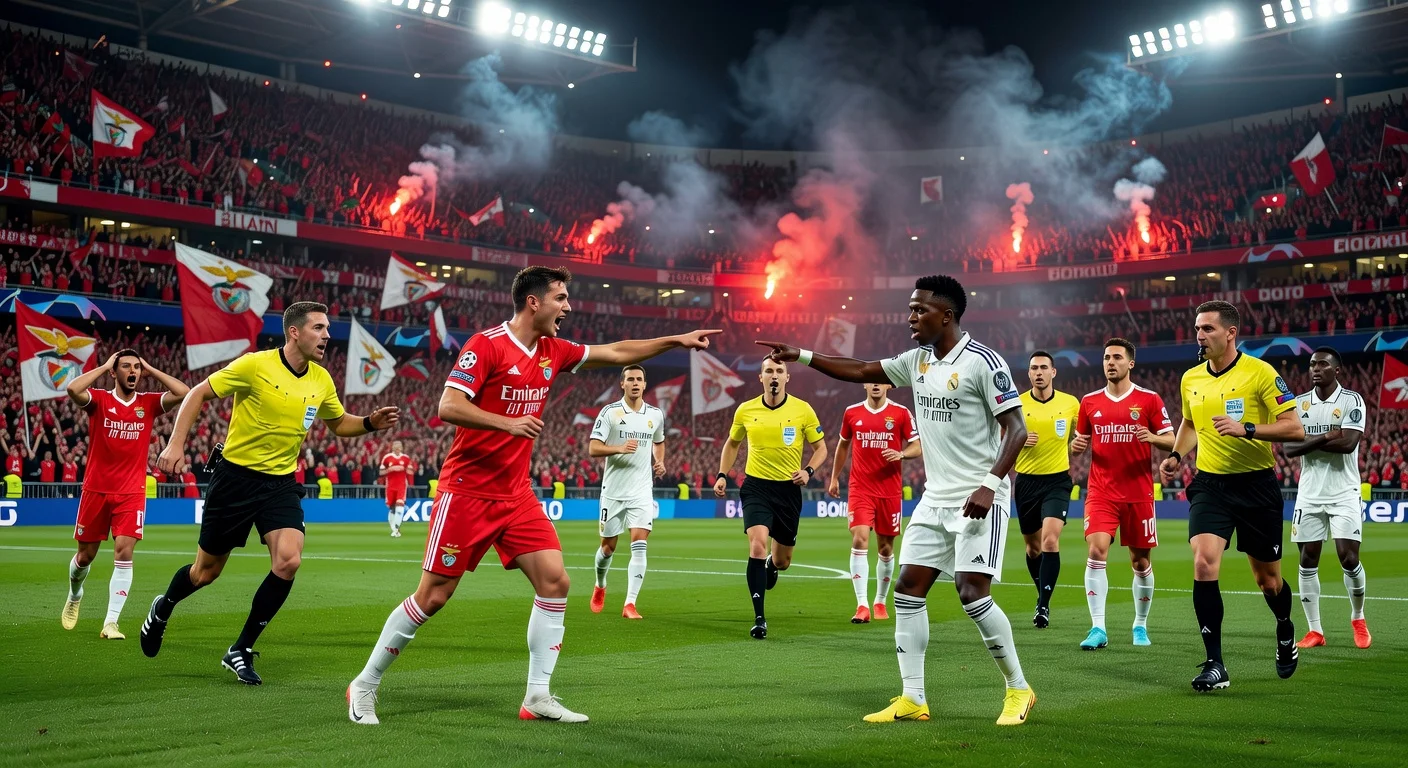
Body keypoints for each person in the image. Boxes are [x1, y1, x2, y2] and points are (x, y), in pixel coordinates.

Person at [348, 266, 718, 725]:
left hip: (516, 494)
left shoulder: (554, 350)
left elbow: (618, 350)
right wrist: (507, 423)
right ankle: (364, 684)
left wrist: (675, 339)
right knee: (434, 596)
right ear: (534, 302)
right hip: (467, 491)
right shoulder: (486, 345)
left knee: (555, 581)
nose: (567, 306)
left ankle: (537, 696)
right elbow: (448, 406)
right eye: (561, 298)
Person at [758, 274, 1036, 727]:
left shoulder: (985, 363)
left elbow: (1017, 429)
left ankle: (1019, 689)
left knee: (972, 594)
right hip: (934, 498)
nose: (909, 317)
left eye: (919, 310)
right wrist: (803, 355)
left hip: (981, 498)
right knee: (907, 591)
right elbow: (861, 369)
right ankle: (913, 698)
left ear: (946, 315)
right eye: (909, 309)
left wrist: (989, 484)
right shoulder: (917, 361)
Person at [145, 302, 400, 684]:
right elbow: (197, 393)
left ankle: (241, 648)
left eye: (327, 328)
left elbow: (337, 423)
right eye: (319, 328)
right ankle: (163, 608)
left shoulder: (321, 379)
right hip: (235, 479)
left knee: (288, 561)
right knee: (205, 573)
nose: (327, 335)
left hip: (280, 483)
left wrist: (367, 423)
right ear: (294, 332)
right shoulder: (254, 365)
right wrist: (175, 444)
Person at [1159, 300, 1305, 692]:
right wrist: (1176, 454)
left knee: (1268, 581)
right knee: (1204, 562)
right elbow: (1190, 422)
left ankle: (1285, 627)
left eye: (1207, 329)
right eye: (1197, 329)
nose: (1200, 336)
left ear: (1230, 333)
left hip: (1256, 485)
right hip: (1211, 485)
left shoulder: (1260, 373)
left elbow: (1295, 428)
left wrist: (1249, 429)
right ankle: (1215, 663)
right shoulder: (1191, 379)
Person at [62, 348, 189, 638]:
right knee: (85, 556)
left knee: (124, 551)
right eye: (126, 367)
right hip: (96, 489)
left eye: (136, 368)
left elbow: (182, 391)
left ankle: (111, 622)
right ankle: (75, 594)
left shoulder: (148, 403)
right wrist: (105, 364)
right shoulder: (100, 400)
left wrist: (150, 368)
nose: (133, 372)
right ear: (114, 372)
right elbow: (72, 389)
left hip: (132, 491)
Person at [1069, 339, 1173, 649]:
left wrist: (1152, 437)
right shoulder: (1088, 402)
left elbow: (1172, 440)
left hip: (1138, 494)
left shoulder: (1149, 399)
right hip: (1101, 492)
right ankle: (1097, 628)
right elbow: (1080, 443)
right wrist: (1075, 447)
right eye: (1106, 358)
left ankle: (1140, 625)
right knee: (1096, 551)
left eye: (1117, 357)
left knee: (1140, 562)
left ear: (1130, 364)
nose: (1110, 362)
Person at [713, 357, 827, 640]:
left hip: (788, 490)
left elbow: (821, 448)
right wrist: (722, 474)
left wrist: (809, 470)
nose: (773, 375)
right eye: (768, 371)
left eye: (779, 371)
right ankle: (759, 618)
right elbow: (733, 443)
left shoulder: (803, 410)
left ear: (787, 377)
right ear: (760, 377)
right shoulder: (746, 409)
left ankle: (771, 567)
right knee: (757, 544)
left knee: (783, 561)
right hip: (756, 488)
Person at [1283, 348, 1371, 649]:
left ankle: (1358, 617)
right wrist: (1325, 437)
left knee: (1349, 557)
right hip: (1308, 493)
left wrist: (1311, 442)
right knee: (1308, 560)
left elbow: (1348, 443)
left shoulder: (1351, 400)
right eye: (1312, 364)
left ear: (1338, 370)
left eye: (1322, 364)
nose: (1315, 369)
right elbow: (1288, 451)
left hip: (1344, 492)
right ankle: (1315, 630)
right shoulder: (1299, 404)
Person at [827, 383, 920, 623]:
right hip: (861, 488)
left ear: (889, 385)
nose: (876, 384)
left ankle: (880, 600)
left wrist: (902, 454)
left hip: (889, 490)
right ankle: (862, 606)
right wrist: (835, 477)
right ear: (865, 384)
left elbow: (917, 446)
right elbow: (843, 446)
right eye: (872, 380)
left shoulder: (901, 413)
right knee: (859, 538)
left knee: (886, 549)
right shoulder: (852, 412)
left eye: (881, 380)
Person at [588, 365, 666, 619]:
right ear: (622, 384)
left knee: (640, 544)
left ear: (645, 384)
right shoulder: (610, 413)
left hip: (642, 490)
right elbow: (593, 448)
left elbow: (659, 441)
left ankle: (629, 604)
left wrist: (660, 461)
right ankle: (600, 585)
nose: (635, 383)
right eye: (630, 379)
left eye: (639, 379)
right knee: (608, 548)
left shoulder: (655, 414)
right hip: (613, 491)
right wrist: (619, 448)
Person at [1014, 350, 1079, 630]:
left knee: (1050, 541)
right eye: (1033, 368)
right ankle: (1041, 594)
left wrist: (1077, 445)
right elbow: (999, 440)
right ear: (1028, 374)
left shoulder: (1070, 403)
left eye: (1043, 367)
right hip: (1026, 482)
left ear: (1053, 372)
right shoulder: (1016, 405)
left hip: (1057, 481)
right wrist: (1018, 439)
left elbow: (1082, 435)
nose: (1038, 372)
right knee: (1032, 549)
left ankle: (1043, 605)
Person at [380, 440, 413, 538]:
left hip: (401, 486)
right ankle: (394, 529)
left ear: (402, 447)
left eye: (399, 446)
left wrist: (404, 469)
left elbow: (410, 472)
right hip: (390, 486)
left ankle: (396, 529)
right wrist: (390, 469)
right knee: (392, 509)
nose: (398, 448)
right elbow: (381, 472)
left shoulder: (406, 458)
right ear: (393, 447)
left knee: (399, 508)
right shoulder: (387, 458)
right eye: (396, 446)